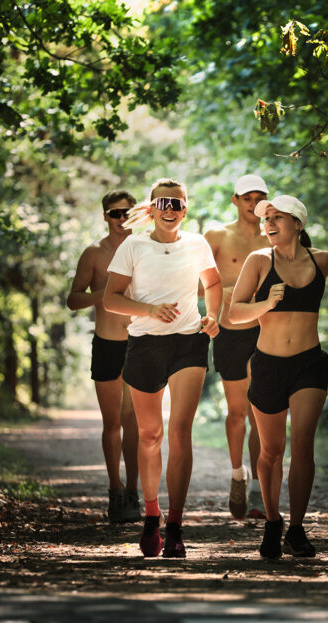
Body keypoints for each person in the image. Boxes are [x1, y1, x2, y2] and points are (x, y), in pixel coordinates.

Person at [228, 195, 328, 559]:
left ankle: (297, 529)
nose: (268, 223)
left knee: (302, 445)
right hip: (268, 365)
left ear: (297, 223)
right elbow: (234, 313)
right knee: (270, 451)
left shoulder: (324, 260)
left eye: (276, 217)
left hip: (309, 364)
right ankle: (272, 523)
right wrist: (265, 303)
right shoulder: (258, 261)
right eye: (265, 218)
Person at [103, 178, 222, 558]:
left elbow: (214, 282)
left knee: (180, 433)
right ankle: (151, 517)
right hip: (145, 345)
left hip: (188, 342)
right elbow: (110, 300)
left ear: (186, 209)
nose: (170, 209)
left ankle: (175, 526)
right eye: (163, 203)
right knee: (151, 436)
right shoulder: (133, 246)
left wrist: (214, 315)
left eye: (177, 203)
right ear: (152, 209)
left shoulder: (197, 243)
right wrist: (150, 310)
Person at [67, 190, 141, 525]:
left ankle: (135, 492)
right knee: (112, 422)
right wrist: (107, 291)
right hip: (108, 344)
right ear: (105, 216)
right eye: (115, 213)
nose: (122, 218)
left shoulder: (146, 249)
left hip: (140, 343)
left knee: (135, 423)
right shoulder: (94, 254)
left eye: (128, 212)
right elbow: (73, 299)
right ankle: (115, 490)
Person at [204, 174, 271, 520]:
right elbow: (194, 276)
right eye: (247, 197)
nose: (253, 202)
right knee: (237, 413)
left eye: (260, 197)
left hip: (265, 333)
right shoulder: (218, 236)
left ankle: (260, 487)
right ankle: (237, 476)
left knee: (261, 412)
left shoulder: (275, 236)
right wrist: (210, 311)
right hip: (229, 332)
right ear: (235, 200)